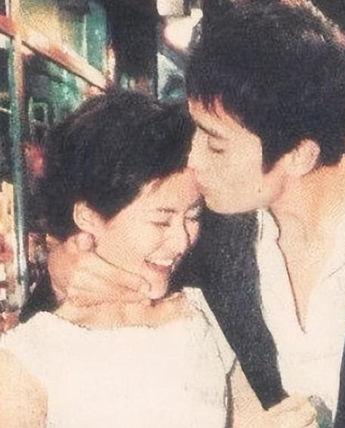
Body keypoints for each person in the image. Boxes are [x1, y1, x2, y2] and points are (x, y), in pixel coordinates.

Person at [47, 1, 345, 427]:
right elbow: (62, 297)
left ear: (301, 155)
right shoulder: (200, 226)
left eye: (216, 145)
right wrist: (70, 267)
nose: (193, 161)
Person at [0, 91, 232, 428]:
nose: (182, 240)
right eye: (161, 221)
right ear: (88, 216)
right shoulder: (32, 357)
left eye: (193, 216)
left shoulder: (203, 312)